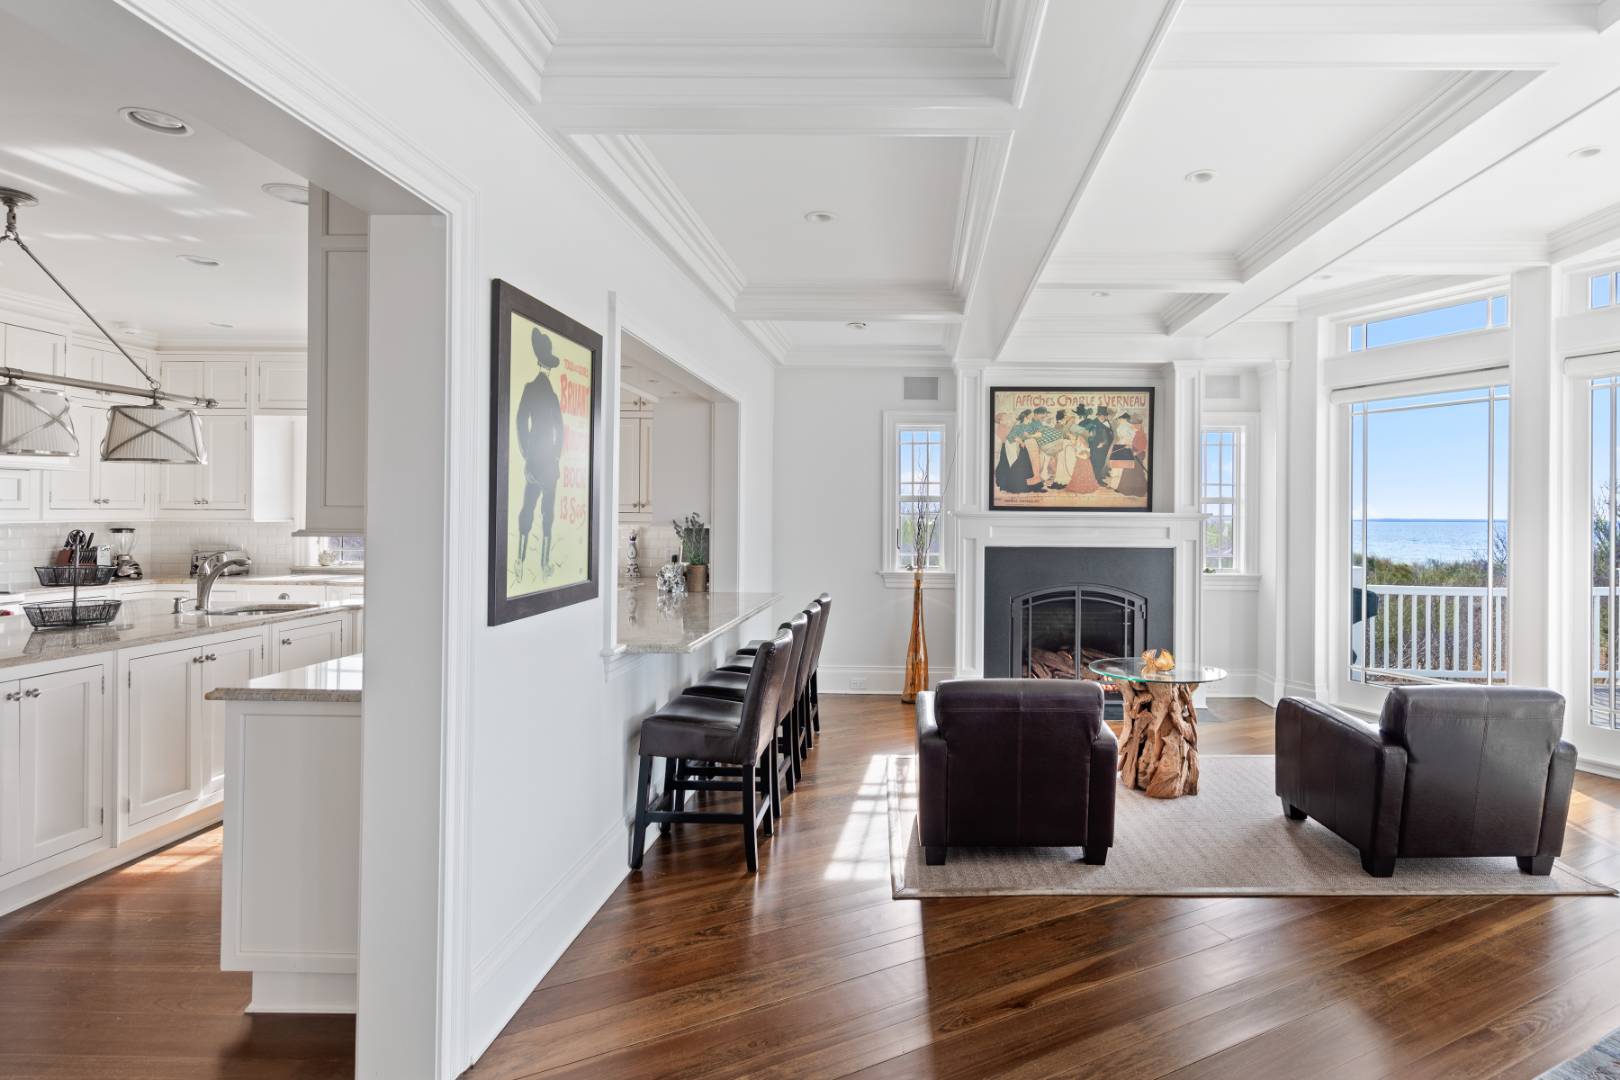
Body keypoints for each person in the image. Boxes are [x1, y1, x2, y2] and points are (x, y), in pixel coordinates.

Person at [515, 327, 565, 571]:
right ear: (547, 366)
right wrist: (555, 454)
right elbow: (561, 430)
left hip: (535, 459)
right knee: (547, 512)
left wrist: (527, 452)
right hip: (548, 463)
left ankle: (520, 560)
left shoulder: (529, 389)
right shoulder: (552, 396)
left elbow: (520, 422)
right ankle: (544, 562)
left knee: (528, 507)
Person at [996, 409, 1037, 494]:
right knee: (1008, 467)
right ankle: (1006, 487)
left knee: (1016, 466)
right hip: (1008, 447)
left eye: (1007, 418)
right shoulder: (1001, 428)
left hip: (1012, 446)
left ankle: (1014, 485)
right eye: (1004, 419)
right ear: (1000, 421)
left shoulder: (1011, 426)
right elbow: (1010, 437)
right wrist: (1020, 441)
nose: (1007, 420)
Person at [1082, 405, 1115, 490]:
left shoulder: (1106, 422)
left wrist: (1107, 442)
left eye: (1105, 415)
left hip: (1104, 448)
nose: (1104, 417)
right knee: (1096, 464)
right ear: (1098, 416)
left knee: (1101, 463)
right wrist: (1093, 442)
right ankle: (1096, 480)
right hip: (1096, 448)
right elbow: (1084, 433)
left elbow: (1110, 434)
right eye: (1102, 415)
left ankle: (1098, 478)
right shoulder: (1093, 423)